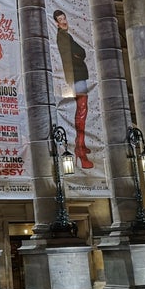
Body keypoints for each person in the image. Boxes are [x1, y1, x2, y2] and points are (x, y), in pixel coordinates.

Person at [53, 9, 93, 169]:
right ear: (56, 23)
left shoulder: (66, 35)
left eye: (64, 18)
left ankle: (80, 144)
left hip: (77, 76)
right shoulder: (62, 37)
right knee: (82, 110)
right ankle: (79, 149)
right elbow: (75, 54)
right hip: (75, 77)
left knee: (83, 110)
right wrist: (78, 56)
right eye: (60, 19)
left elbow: (80, 53)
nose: (64, 21)